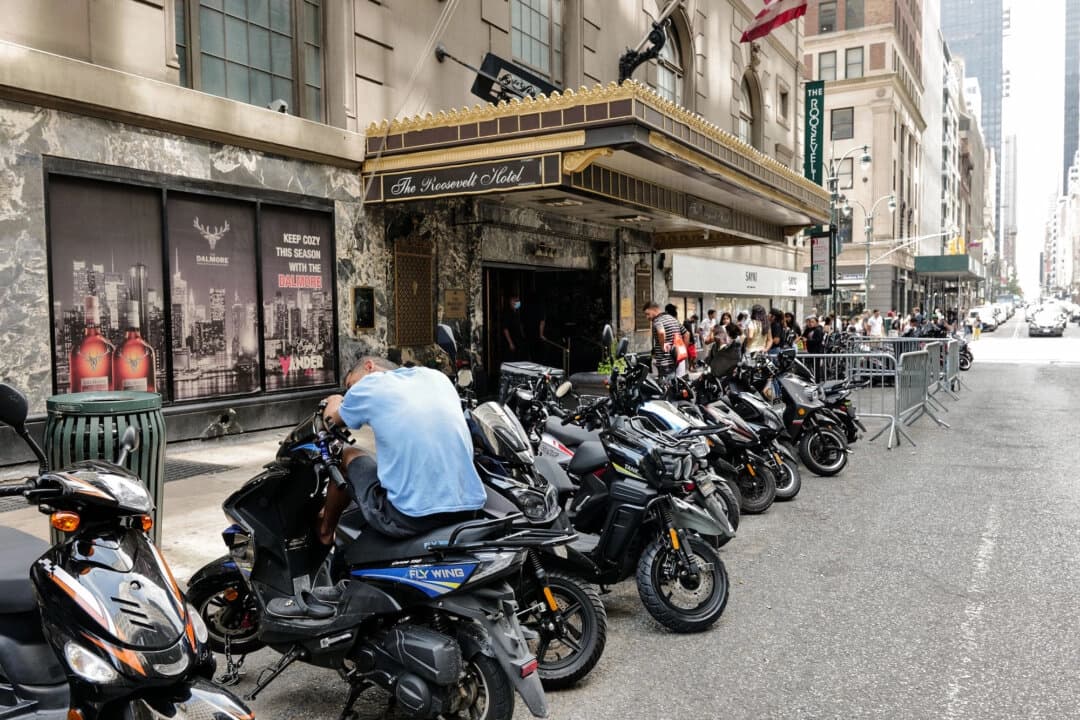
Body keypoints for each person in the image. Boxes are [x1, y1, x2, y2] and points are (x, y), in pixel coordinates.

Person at [318, 357, 487, 543]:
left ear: (369, 366)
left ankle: (326, 533)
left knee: (345, 453)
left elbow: (330, 420)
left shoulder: (371, 384)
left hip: (410, 518)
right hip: (469, 510)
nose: (350, 393)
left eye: (350, 385)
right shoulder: (436, 377)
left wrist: (335, 399)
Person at [644, 301, 686, 379]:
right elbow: (686, 333)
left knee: (665, 386)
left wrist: (663, 346)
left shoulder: (657, 320)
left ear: (654, 309)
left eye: (648, 314)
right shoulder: (672, 319)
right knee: (673, 384)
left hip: (664, 362)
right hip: (674, 360)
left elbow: (661, 332)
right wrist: (684, 349)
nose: (647, 317)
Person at [502, 294, 527, 361]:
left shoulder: (517, 313)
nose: (518, 302)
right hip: (512, 341)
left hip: (518, 341)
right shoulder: (508, 313)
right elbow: (505, 329)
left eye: (518, 300)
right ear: (511, 302)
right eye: (516, 300)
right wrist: (510, 343)